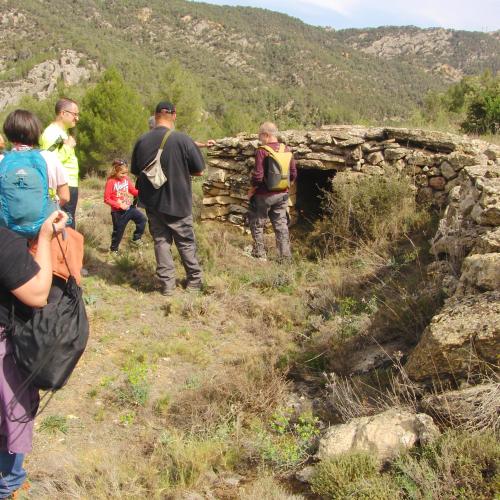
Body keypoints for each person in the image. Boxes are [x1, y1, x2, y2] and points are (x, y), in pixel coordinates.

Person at [0, 210, 69, 499]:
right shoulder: (4, 241)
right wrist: (44, 237)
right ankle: (8, 485)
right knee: (10, 412)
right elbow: (38, 293)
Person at [131, 101, 205, 296]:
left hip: (152, 202)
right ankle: (194, 283)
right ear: (174, 115)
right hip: (178, 201)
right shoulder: (182, 140)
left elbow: (135, 171)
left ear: (155, 116)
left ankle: (167, 286)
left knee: (161, 241)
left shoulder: (142, 140)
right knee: (185, 242)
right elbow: (199, 171)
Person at [247, 122, 297, 261]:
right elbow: (293, 173)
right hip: (282, 195)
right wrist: (285, 186)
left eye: (260, 136)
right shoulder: (286, 149)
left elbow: (257, 176)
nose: (259, 139)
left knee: (257, 222)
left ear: (266, 135)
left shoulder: (262, 151)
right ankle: (285, 257)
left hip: (264, 195)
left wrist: (252, 190)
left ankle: (260, 254)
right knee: (281, 225)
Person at [3, 109, 70, 207]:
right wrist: (49, 211)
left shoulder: (2, 160)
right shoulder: (48, 157)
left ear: (8, 131)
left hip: (7, 221)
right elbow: (65, 196)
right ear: (36, 131)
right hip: (43, 220)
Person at [39, 98, 80, 227]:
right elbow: (49, 159)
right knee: (65, 224)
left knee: (69, 221)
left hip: (69, 184)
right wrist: (68, 147)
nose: (77, 118)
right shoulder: (52, 133)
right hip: (62, 186)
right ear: (63, 113)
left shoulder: (62, 133)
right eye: (75, 114)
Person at [104, 159, 147, 253]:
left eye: (126, 173)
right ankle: (113, 250)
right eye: (122, 173)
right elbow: (106, 199)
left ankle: (136, 239)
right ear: (115, 171)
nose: (125, 175)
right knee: (118, 232)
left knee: (142, 219)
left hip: (129, 208)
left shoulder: (126, 179)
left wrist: (142, 193)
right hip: (118, 212)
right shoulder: (111, 182)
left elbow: (132, 191)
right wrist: (119, 205)